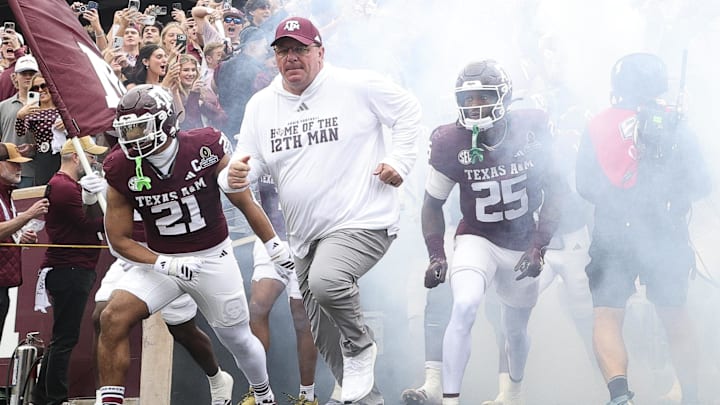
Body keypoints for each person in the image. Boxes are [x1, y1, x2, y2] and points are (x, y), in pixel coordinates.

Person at [222, 16, 422, 405]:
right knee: (324, 333)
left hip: (363, 220)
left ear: (320, 52)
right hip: (303, 236)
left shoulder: (356, 84)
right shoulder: (262, 106)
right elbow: (244, 168)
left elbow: (409, 111)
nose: (291, 58)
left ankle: (362, 345)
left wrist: (400, 160)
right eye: (283, 51)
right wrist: (234, 174)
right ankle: (368, 400)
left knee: (328, 282)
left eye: (300, 49)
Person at [97, 84, 293, 405]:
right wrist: (163, 263)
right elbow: (118, 241)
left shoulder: (204, 146)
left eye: (139, 128)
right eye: (126, 130)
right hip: (160, 260)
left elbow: (243, 200)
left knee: (238, 339)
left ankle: (263, 394)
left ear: (165, 122)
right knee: (111, 317)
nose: (131, 138)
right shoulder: (120, 167)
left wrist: (273, 245)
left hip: (211, 257)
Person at [418, 60, 567, 405]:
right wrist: (436, 254)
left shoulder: (533, 127)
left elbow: (557, 191)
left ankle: (512, 392)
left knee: (514, 332)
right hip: (477, 236)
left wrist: (540, 246)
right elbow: (431, 204)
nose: (474, 107)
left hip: (521, 242)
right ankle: (451, 401)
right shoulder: (449, 139)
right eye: (468, 100)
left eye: (482, 97)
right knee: (466, 304)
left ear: (504, 97)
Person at [576, 52, 709, 405]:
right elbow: (704, 183)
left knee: (607, 312)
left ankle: (620, 397)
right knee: (674, 314)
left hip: (612, 231)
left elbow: (584, 186)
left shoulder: (597, 125)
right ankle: (692, 396)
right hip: (665, 230)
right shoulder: (677, 123)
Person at [92, 217, 233, 405]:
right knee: (102, 315)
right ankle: (104, 396)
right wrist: (89, 200)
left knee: (182, 330)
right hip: (129, 256)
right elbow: (95, 222)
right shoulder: (111, 186)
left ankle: (217, 379)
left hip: (171, 256)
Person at [31, 136, 108, 405]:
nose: (96, 163)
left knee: (62, 337)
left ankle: (44, 397)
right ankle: (55, 398)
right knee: (65, 338)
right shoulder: (63, 187)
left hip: (71, 267)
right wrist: (108, 205)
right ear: (77, 158)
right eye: (92, 157)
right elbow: (88, 222)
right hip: (69, 268)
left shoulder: (64, 185)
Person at [244, 176, 318, 405]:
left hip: (307, 238)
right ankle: (258, 393)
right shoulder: (260, 147)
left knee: (302, 316)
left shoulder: (316, 148)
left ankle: (307, 396)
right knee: (258, 306)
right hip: (270, 237)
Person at [0, 143, 49, 343]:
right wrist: (28, 215)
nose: (20, 168)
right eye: (14, 164)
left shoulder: (6, 193)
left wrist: (19, 238)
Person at [15, 74, 67, 185]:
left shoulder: (64, 109)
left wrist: (68, 124)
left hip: (66, 156)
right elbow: (20, 133)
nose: (40, 90)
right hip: (45, 156)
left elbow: (80, 129)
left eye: (44, 86)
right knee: (45, 190)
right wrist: (20, 116)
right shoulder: (32, 112)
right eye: (35, 88)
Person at [0, 54, 40, 188]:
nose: (28, 77)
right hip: (7, 170)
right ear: (15, 76)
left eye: (32, 73)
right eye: (24, 73)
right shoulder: (3, 106)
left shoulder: (46, 104)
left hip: (37, 170)